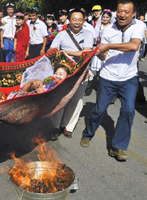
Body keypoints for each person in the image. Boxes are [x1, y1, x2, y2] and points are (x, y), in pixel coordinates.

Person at [80, 0, 145, 161]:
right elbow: (104, 55)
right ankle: (88, 133)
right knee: (99, 110)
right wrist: (98, 52)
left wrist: (108, 46)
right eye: (120, 11)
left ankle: (118, 147)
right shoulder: (108, 30)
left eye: (126, 11)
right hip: (108, 77)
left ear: (133, 14)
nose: (122, 14)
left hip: (129, 78)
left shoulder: (139, 26)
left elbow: (134, 46)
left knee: (128, 110)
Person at [49, 8, 94, 139]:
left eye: (80, 20)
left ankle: (68, 126)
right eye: (74, 19)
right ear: (69, 20)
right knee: (60, 100)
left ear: (84, 20)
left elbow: (86, 53)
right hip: (63, 75)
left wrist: (66, 52)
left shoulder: (88, 34)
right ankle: (55, 127)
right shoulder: (62, 34)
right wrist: (54, 52)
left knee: (76, 100)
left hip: (81, 73)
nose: (77, 22)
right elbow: (52, 50)